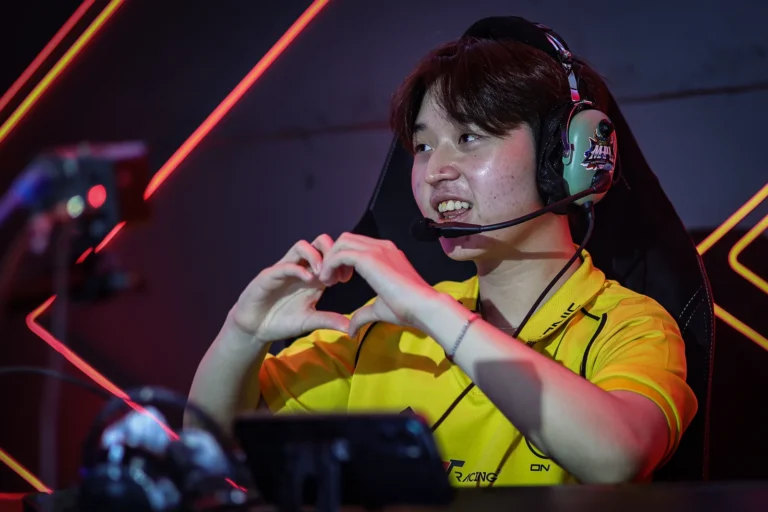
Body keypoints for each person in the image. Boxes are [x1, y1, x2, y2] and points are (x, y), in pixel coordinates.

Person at [187, 17, 697, 487]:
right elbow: (213, 448)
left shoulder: (631, 326)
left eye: (470, 137)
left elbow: (616, 458)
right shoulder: (383, 331)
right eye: (424, 146)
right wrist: (244, 332)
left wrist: (434, 314)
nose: (434, 172)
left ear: (560, 159)